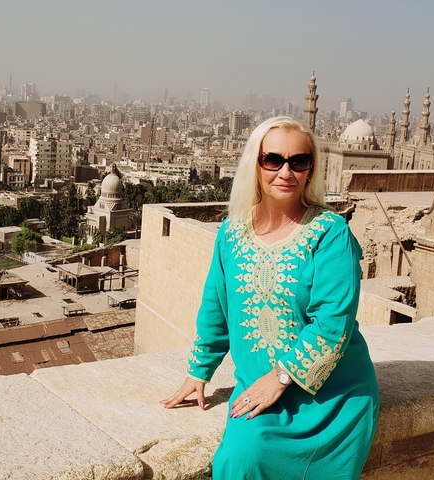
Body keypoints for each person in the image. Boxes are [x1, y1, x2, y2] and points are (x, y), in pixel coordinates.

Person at [161, 116, 380, 479]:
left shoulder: (329, 233)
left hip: (331, 396)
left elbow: (332, 324)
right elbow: (217, 306)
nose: (286, 172)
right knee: (240, 460)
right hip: (259, 386)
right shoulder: (232, 232)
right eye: (273, 160)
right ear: (256, 164)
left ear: (310, 170)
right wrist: (198, 372)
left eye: (299, 161)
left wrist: (280, 377)